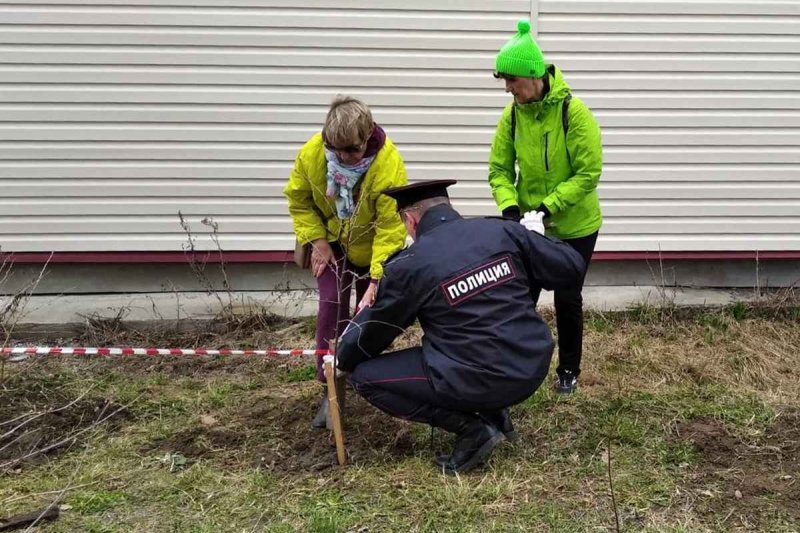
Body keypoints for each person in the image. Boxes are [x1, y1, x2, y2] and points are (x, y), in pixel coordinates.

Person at [335, 180, 585, 474]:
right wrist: (536, 240)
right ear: (448, 207)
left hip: (474, 379)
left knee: (365, 377)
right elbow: (571, 266)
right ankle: (496, 413)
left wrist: (343, 357)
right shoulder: (502, 231)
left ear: (410, 220)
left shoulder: (411, 264)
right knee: (469, 350)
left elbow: (377, 330)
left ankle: (473, 430)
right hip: (529, 367)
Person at [489, 19, 603, 394]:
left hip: (575, 227)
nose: (508, 89)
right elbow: (499, 169)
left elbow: (588, 173)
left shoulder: (575, 113)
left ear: (533, 76)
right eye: (504, 81)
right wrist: (510, 208)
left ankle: (568, 370)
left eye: (512, 81)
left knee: (567, 297)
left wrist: (546, 207)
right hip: (528, 225)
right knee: (521, 297)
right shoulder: (512, 116)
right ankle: (517, 369)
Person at [284, 95, 408, 428]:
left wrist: (377, 277)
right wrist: (319, 242)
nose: (342, 157)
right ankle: (330, 392)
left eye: (351, 150)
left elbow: (390, 225)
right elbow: (299, 201)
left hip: (373, 249)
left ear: (368, 136)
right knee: (330, 308)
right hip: (334, 244)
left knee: (368, 316)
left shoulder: (387, 164)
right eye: (335, 148)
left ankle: (363, 379)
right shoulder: (313, 154)